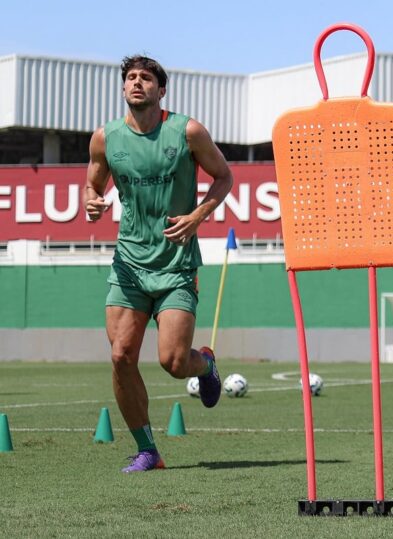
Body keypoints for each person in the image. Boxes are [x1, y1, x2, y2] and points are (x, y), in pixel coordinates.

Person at [84, 55, 234, 473]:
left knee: (172, 362)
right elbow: (92, 184)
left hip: (175, 266)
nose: (137, 83)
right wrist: (91, 203)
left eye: (146, 78)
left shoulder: (187, 131)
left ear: (161, 90)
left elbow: (224, 177)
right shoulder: (105, 138)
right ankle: (148, 450)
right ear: (123, 88)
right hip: (129, 264)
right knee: (120, 355)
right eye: (130, 78)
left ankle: (204, 363)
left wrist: (198, 215)